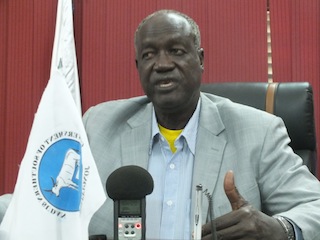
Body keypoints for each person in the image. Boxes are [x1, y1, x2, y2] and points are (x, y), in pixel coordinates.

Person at [1, 9, 320, 239]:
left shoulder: (258, 132)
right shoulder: (100, 124)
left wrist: (281, 229)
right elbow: (35, 199)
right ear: (138, 66)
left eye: (177, 51)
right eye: (150, 55)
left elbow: (314, 206)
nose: (163, 64)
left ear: (201, 59)